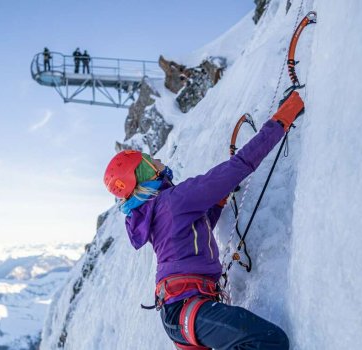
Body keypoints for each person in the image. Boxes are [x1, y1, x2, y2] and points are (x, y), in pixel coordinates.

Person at [103, 91, 304, 350]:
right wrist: (281, 120)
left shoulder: (153, 210)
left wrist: (217, 202)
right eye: (149, 161)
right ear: (144, 173)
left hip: (181, 313)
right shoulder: (175, 200)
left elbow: (193, 228)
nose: (158, 160)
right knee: (268, 340)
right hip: (190, 308)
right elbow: (239, 166)